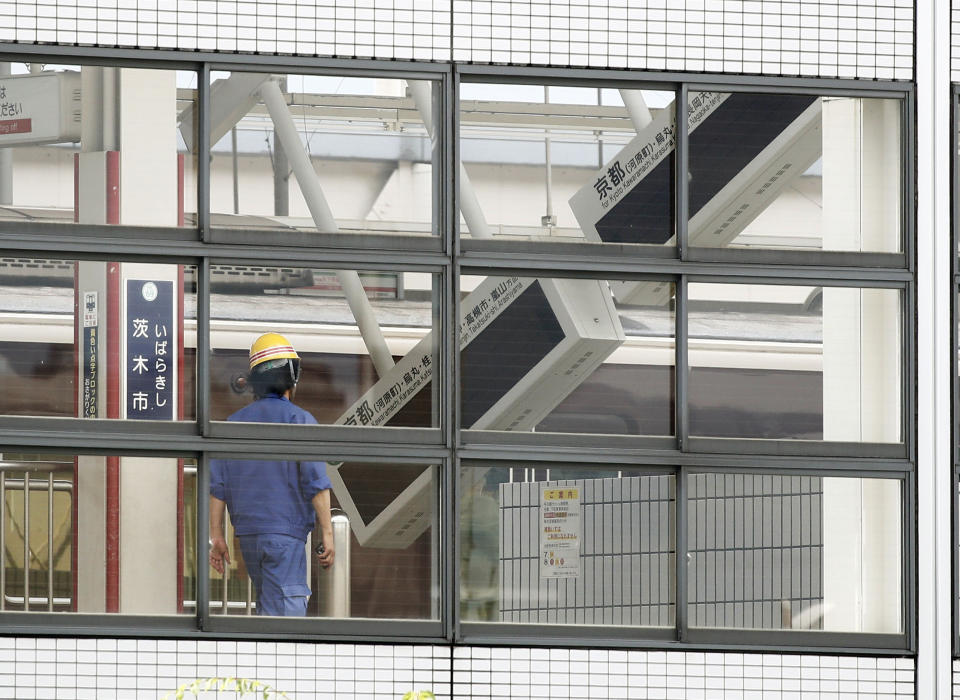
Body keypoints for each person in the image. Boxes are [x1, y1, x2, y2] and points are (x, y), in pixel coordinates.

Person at [208, 332, 335, 616]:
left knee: (267, 605)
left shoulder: (233, 425)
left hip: (249, 537)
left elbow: (217, 487)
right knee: (286, 619)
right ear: (291, 377)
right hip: (285, 536)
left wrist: (216, 537)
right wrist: (327, 532)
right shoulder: (300, 420)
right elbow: (317, 483)